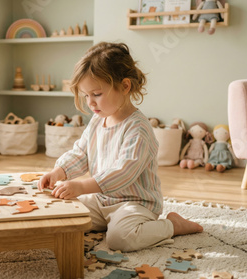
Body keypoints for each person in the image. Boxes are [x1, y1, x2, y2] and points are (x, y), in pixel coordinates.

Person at [38, 42, 203, 252]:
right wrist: (59, 172)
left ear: (125, 86)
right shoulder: (98, 120)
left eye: (96, 94)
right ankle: (108, 221)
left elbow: (123, 172)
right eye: (86, 96)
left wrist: (81, 187)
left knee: (120, 239)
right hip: (101, 200)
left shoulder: (138, 129)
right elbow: (81, 153)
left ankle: (173, 225)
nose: (90, 103)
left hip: (135, 203)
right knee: (64, 213)